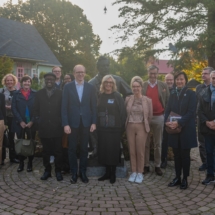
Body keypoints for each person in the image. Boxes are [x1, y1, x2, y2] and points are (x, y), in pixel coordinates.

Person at [89, 56, 132, 157]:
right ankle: (96, 148)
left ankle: (116, 148)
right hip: (97, 116)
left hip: (114, 117)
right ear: (98, 67)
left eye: (107, 65)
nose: (106, 68)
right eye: (103, 66)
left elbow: (129, 93)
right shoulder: (91, 83)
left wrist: (122, 104)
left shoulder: (117, 79)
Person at [62, 65, 97, 184]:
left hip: (86, 123)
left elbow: (94, 107)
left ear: (85, 73)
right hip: (72, 123)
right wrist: (65, 124)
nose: (80, 74)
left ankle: (83, 172)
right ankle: (73, 173)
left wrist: (94, 122)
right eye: (78, 72)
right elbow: (64, 107)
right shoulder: (68, 87)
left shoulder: (90, 87)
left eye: (82, 72)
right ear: (74, 73)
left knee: (84, 149)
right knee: (71, 149)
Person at [165, 72, 197, 189]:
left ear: (185, 81)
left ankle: (185, 179)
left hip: (186, 129)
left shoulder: (191, 94)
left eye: (181, 79)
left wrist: (178, 122)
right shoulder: (172, 94)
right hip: (173, 129)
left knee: (185, 155)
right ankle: (177, 177)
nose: (179, 81)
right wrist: (166, 121)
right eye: (177, 79)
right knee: (176, 155)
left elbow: (191, 112)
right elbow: (168, 109)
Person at [34, 73, 63, 181]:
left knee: (58, 151)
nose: (49, 81)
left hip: (57, 127)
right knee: (46, 151)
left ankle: (58, 171)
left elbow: (63, 109)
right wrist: (38, 120)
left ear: (55, 80)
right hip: (44, 127)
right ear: (44, 80)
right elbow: (35, 109)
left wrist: (61, 121)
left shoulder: (60, 93)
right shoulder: (39, 93)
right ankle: (47, 171)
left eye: (51, 79)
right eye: (47, 79)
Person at [97, 75, 126, 184]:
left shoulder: (117, 96)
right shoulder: (100, 96)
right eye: (106, 82)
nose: (108, 84)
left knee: (113, 151)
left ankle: (113, 173)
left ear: (113, 84)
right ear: (103, 84)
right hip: (102, 129)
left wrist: (121, 127)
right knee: (104, 150)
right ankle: (107, 173)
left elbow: (122, 112)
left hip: (115, 129)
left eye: (110, 82)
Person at [142, 65, 169, 176]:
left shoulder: (163, 85)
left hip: (159, 117)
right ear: (148, 73)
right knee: (146, 143)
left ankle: (157, 165)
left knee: (158, 143)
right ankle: (146, 165)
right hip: (146, 118)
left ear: (158, 74)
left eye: (155, 73)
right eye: (151, 73)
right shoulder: (143, 85)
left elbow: (167, 101)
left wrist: (165, 116)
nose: (153, 75)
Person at [125, 76, 152, 183]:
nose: (135, 88)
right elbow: (125, 113)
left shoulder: (147, 100)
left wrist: (145, 125)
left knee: (140, 150)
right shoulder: (128, 99)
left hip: (141, 126)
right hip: (130, 126)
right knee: (132, 150)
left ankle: (140, 172)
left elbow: (150, 116)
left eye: (138, 86)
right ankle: (133, 171)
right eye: (134, 86)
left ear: (141, 87)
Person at [11, 76, 36, 172]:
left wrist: (32, 121)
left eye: (28, 82)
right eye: (25, 82)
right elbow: (14, 108)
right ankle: (21, 164)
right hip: (19, 123)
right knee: (20, 143)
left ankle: (30, 163)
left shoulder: (35, 94)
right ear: (22, 83)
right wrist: (20, 121)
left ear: (31, 83)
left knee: (31, 143)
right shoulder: (16, 94)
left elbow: (37, 109)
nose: (27, 83)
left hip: (31, 123)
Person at [198, 70, 215, 185]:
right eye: (213, 78)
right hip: (207, 128)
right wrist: (207, 122)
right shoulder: (203, 92)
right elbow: (199, 110)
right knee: (208, 152)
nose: (214, 80)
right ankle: (210, 175)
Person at [1, 74, 19, 164]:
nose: (9, 82)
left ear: (14, 81)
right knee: (3, 137)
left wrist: (12, 107)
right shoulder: (2, 91)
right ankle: (2, 157)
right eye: (7, 80)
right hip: (3, 117)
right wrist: (5, 107)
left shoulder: (17, 92)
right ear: (5, 81)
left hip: (13, 117)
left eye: (11, 80)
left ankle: (13, 157)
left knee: (12, 137)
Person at [161, 73, 175, 168]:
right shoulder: (162, 90)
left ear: (173, 80)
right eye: (167, 80)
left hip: (175, 119)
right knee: (164, 140)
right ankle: (164, 160)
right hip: (164, 118)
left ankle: (177, 160)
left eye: (171, 80)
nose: (169, 81)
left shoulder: (177, 90)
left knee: (176, 140)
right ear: (165, 80)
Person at [61, 73, 74, 173]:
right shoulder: (61, 90)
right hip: (64, 121)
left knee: (72, 145)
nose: (67, 80)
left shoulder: (75, 89)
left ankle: (71, 164)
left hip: (74, 121)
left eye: (69, 78)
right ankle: (65, 166)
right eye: (65, 79)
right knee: (64, 145)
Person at [0, 92, 6, 165]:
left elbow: (3, 110)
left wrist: (5, 123)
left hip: (0, 120)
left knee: (0, 143)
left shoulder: (1, 95)